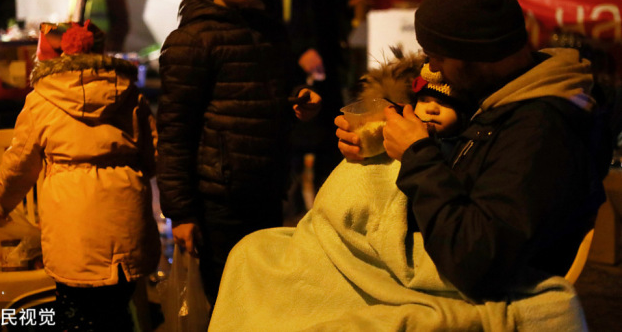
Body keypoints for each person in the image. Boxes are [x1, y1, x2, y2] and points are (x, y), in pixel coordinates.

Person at [209, 49, 587, 330]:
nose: (433, 111)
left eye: (445, 103)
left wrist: (416, 152)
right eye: (426, 102)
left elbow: (462, 231)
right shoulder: (428, 123)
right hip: (340, 235)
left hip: (421, 252)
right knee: (252, 251)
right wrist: (375, 133)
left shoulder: (514, 135)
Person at [336, 0, 610, 302]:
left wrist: (416, 155)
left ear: (477, 54)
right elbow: (469, 156)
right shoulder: (502, 97)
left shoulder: (541, 134)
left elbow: (475, 263)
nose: (430, 68)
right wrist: (380, 138)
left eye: (437, 56)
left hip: (477, 291)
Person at [156, 0, 322, 306]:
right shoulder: (190, 41)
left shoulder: (269, 31)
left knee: (264, 296)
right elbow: (175, 133)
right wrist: (181, 214)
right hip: (218, 204)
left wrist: (300, 98)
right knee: (229, 301)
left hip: (268, 190)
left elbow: (280, 87)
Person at [0, 20, 160, 331]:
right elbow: (154, 155)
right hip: (127, 223)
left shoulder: (41, 100)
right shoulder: (130, 94)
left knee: (77, 316)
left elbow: (19, 165)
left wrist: (0, 207)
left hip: (73, 229)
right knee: (117, 312)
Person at [258, 0, 348, 217]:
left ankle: (329, 217)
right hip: (290, 82)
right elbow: (269, 24)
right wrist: (300, 51)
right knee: (293, 156)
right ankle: (294, 222)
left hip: (325, 77)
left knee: (328, 147)